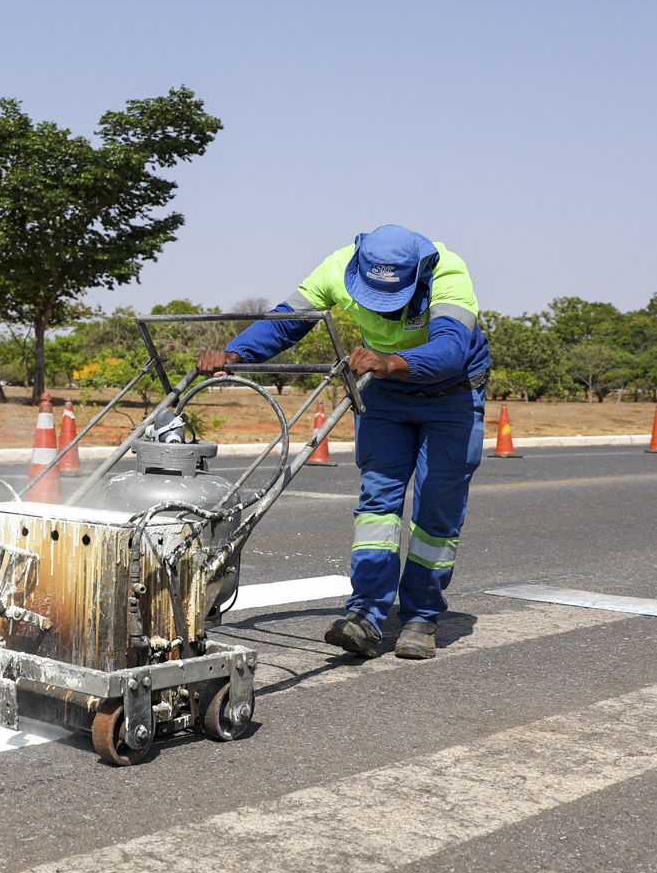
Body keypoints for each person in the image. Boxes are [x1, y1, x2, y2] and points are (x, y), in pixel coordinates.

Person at [198, 225, 489, 661]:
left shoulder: (448, 273)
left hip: (452, 393)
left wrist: (393, 361)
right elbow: (287, 321)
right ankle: (367, 615)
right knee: (378, 504)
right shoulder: (336, 267)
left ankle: (420, 617)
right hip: (386, 389)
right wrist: (236, 353)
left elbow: (450, 350)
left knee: (437, 510)